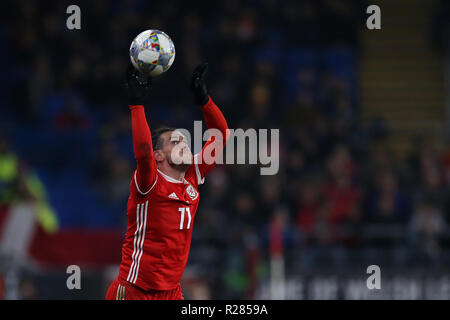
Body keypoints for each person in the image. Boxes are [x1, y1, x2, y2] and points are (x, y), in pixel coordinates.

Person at [105, 63, 229, 300]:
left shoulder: (192, 176)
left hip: (170, 293)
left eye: (183, 140)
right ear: (159, 155)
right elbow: (142, 152)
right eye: (174, 142)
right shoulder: (149, 182)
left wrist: (205, 101)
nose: (183, 144)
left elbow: (221, 136)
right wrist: (137, 105)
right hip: (134, 291)